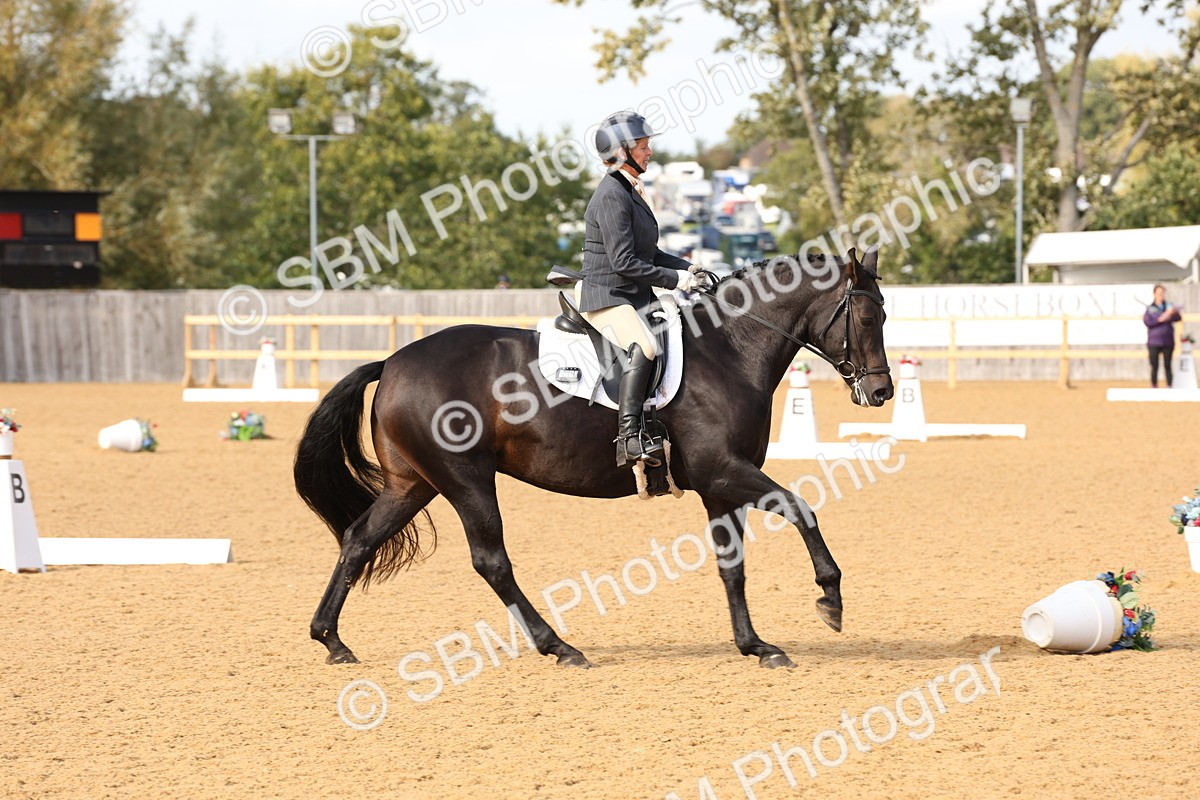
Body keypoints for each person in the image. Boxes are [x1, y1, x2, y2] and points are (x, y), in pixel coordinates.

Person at [578, 111, 705, 468]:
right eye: (644, 146)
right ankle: (629, 437)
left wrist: (688, 268)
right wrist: (676, 281)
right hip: (607, 294)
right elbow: (623, 262)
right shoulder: (611, 196)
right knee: (646, 346)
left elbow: (650, 253)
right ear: (622, 153)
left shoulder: (629, 191)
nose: (649, 152)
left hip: (629, 293)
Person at [1144, 284, 1182, 387]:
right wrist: (1159, 320)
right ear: (1154, 294)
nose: (1161, 295)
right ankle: (1154, 385)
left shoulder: (1169, 306)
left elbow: (1178, 318)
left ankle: (1169, 385)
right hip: (1154, 342)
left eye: (1162, 293)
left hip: (1168, 341)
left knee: (1168, 365)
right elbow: (1147, 322)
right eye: (1159, 293)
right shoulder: (1150, 309)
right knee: (1154, 365)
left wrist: (1172, 312)